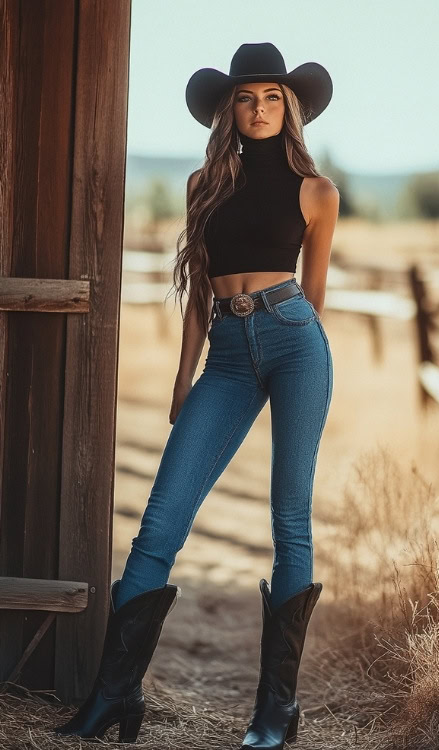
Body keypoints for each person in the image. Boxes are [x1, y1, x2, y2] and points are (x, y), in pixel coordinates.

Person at [54, 42, 339, 749]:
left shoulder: (317, 192)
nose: (260, 109)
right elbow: (194, 290)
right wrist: (185, 375)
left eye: (273, 97)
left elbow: (315, 297)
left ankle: (275, 712)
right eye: (247, 98)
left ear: (290, 107)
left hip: (295, 340)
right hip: (225, 353)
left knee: (289, 521)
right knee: (161, 522)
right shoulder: (202, 185)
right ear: (229, 111)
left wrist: (300, 353)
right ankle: (114, 695)